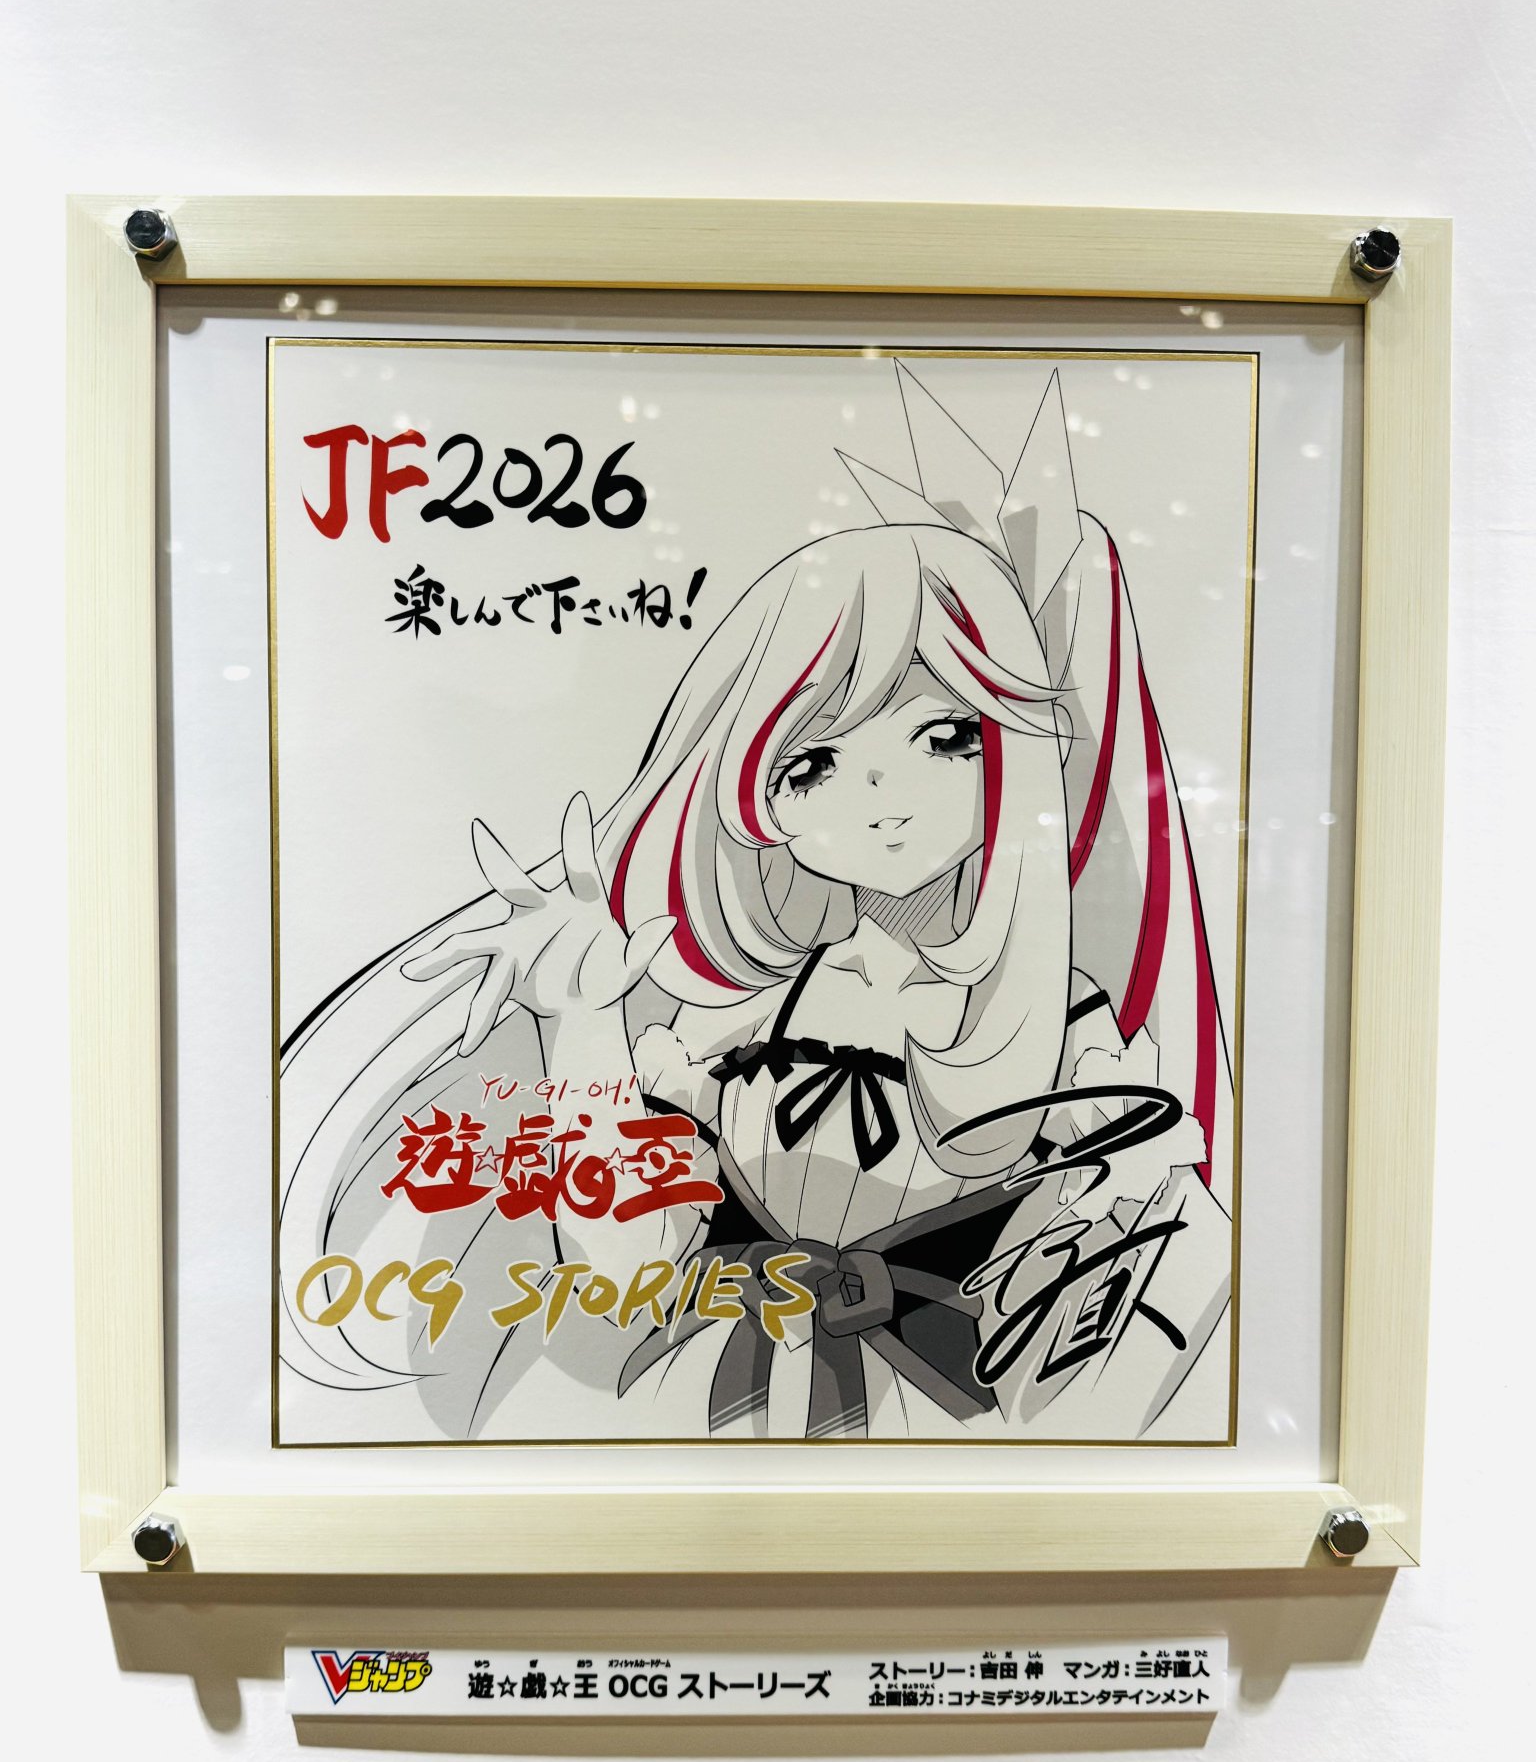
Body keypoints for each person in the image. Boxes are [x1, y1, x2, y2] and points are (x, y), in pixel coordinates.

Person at [278, 365, 1234, 1443]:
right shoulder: (744, 1021)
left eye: (945, 737)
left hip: (956, 1446)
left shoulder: (1074, 1045)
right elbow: (625, 1266)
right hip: (719, 1418)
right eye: (815, 762)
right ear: (756, 794)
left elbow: (1132, 1285)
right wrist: (582, 1018)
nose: (884, 798)